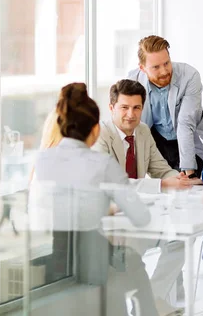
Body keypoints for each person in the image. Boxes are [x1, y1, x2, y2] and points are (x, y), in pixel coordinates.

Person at [29, 82, 158, 316]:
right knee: (134, 261)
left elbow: (46, 206)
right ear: (96, 129)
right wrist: (106, 207)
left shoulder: (42, 160)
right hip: (92, 263)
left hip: (56, 260)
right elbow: (141, 217)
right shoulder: (102, 164)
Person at [94, 78, 192, 312]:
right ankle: (147, 303)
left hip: (140, 218)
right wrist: (162, 184)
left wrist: (178, 179)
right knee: (131, 261)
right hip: (114, 224)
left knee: (179, 241)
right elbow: (113, 184)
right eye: (124, 107)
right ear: (111, 108)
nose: (131, 114)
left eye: (137, 108)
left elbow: (160, 168)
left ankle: (154, 299)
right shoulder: (101, 135)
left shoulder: (143, 131)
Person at [128, 35, 203, 179]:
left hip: (189, 138)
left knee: (187, 188)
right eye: (156, 67)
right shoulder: (133, 81)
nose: (164, 71)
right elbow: (135, 125)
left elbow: (186, 123)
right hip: (157, 139)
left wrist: (189, 174)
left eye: (167, 63)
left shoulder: (190, 76)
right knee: (164, 187)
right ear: (142, 68)